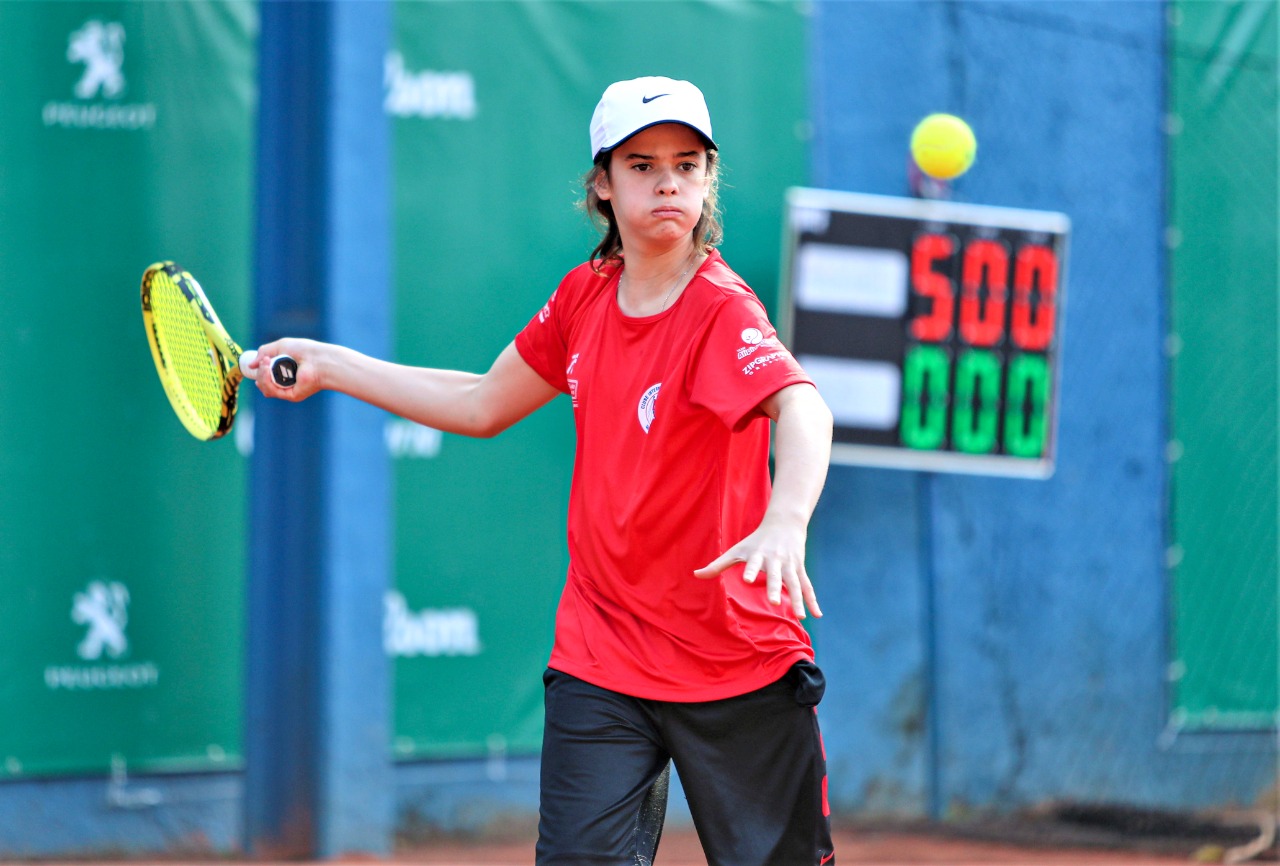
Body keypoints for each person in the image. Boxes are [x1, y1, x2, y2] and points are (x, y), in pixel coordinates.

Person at [251, 75, 836, 866]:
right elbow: (484, 402)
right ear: (602, 183)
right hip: (606, 651)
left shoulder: (723, 310)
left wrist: (786, 519)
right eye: (643, 163)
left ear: (708, 179)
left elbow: (802, 408)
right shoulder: (583, 298)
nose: (669, 180)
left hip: (735, 657)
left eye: (688, 164)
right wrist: (330, 363)